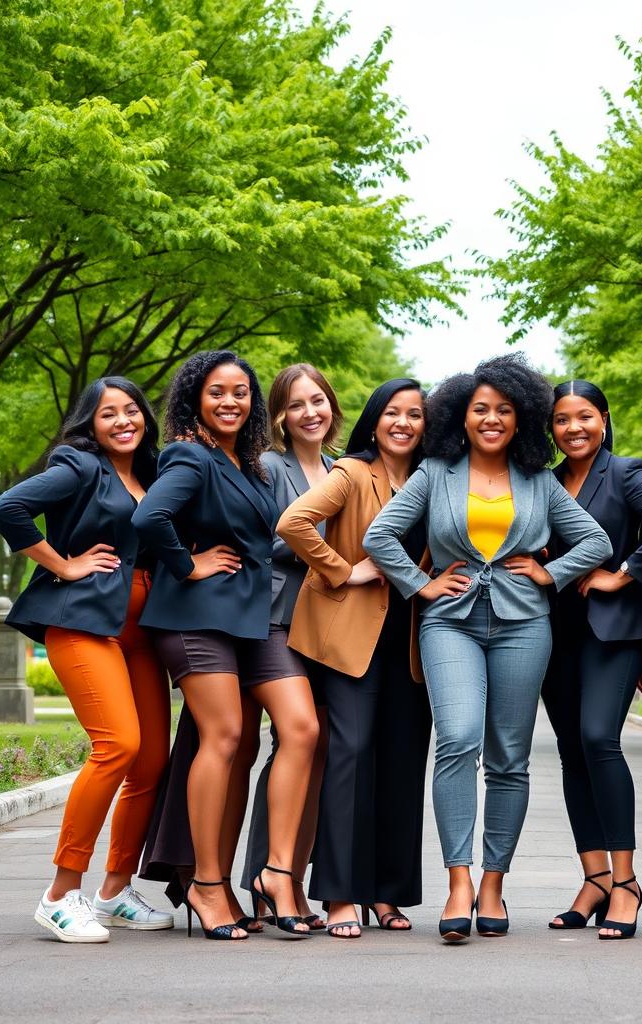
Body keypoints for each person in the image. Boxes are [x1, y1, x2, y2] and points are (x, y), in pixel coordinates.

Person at [364, 353, 611, 943]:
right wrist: (420, 584)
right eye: (481, 409)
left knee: (508, 757)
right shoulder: (435, 473)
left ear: (521, 416)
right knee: (457, 738)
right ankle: (458, 881)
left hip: (525, 626)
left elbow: (595, 540)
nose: (492, 418)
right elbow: (382, 534)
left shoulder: (539, 480)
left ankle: (494, 882)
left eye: (504, 409)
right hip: (449, 622)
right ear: (461, 416)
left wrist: (551, 574)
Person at [135, 350, 317, 940]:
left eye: (241, 392)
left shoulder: (249, 464)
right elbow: (150, 518)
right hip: (195, 618)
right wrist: (187, 566)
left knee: (302, 727)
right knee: (225, 736)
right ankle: (207, 884)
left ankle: (276, 873)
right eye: (217, 392)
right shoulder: (189, 454)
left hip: (251, 619)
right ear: (195, 399)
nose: (231, 402)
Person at [0, 377, 173, 942]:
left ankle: (114, 892)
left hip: (145, 630)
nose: (123, 421)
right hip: (84, 621)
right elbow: (7, 507)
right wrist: (63, 564)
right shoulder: (78, 466)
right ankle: (59, 894)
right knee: (118, 745)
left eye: (132, 410)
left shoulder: (154, 472)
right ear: (90, 424)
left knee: (150, 762)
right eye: (108, 413)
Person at [276, 378, 432, 938]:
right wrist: (342, 568)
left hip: (412, 640)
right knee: (352, 754)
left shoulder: (433, 478)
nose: (404, 423)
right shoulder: (351, 472)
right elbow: (292, 523)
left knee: (402, 762)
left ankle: (388, 895)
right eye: (394, 412)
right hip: (348, 637)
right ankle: (341, 894)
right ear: (374, 419)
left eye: (415, 414)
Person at [542, 380, 642, 939]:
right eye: (561, 419)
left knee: (600, 739)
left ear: (603, 418)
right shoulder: (546, 481)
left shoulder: (624, 472)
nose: (573, 428)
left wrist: (620, 574)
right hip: (556, 633)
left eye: (583, 417)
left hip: (616, 631)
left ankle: (626, 883)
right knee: (572, 751)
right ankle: (595, 878)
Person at [237, 364, 340, 931]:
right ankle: (274, 872)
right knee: (299, 733)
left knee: (310, 751)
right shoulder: (268, 466)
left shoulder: (336, 467)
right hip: (272, 619)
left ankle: (284, 880)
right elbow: (270, 537)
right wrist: (337, 563)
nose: (311, 412)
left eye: (318, 400)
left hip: (323, 627)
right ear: (278, 415)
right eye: (297, 404)